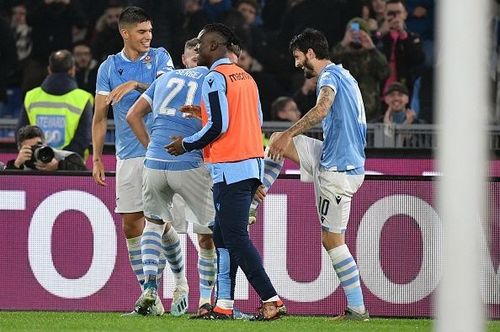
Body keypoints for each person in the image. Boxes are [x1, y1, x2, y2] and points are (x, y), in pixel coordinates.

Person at [166, 23, 285, 321]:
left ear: (216, 46)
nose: (198, 48)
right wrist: (203, 113)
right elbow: (251, 120)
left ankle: (272, 299)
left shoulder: (214, 77)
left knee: (234, 236)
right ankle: (224, 305)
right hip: (248, 164)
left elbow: (219, 126)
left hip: (230, 168)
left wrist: (186, 144)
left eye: (203, 44)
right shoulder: (246, 78)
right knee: (222, 235)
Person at [261, 28, 369, 321]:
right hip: (332, 155)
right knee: (275, 141)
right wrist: (284, 137)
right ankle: (254, 200)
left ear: (310, 53)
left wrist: (290, 131)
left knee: (332, 240)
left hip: (339, 169)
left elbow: (322, 109)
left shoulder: (330, 77)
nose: (297, 65)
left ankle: (357, 309)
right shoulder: (346, 74)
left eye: (298, 57)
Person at [91, 6, 179, 317]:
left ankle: (179, 283)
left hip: (158, 153)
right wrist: (98, 157)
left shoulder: (159, 57)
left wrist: (135, 85)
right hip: (127, 157)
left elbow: (169, 89)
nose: (148, 37)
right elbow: (100, 117)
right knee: (131, 225)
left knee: (158, 222)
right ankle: (149, 299)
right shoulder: (109, 67)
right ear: (125, 33)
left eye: (150, 31)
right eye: (141, 32)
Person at [126, 38, 216, 317]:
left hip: (155, 160)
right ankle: (204, 301)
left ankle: (151, 287)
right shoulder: (213, 78)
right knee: (209, 234)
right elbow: (220, 122)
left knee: (153, 223)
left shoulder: (166, 78)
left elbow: (133, 115)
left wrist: (152, 146)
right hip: (191, 161)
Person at [18, 49, 93, 159]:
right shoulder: (83, 98)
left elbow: (21, 134)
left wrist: (41, 158)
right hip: (71, 170)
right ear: (72, 70)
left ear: (49, 70)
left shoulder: (31, 96)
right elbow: (83, 139)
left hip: (36, 166)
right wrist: (61, 162)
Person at [330, 17, 390, 122]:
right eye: (352, 33)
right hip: (344, 113)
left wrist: (372, 48)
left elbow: (385, 72)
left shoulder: (373, 55)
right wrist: (343, 44)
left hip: (370, 113)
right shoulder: (341, 55)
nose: (357, 36)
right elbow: (327, 68)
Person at [6, 125, 86, 171]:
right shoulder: (19, 164)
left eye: (39, 145)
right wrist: (16, 165)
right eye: (30, 148)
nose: (36, 150)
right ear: (20, 150)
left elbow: (86, 176)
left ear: (45, 143)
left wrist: (59, 166)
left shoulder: (67, 157)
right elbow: (5, 186)